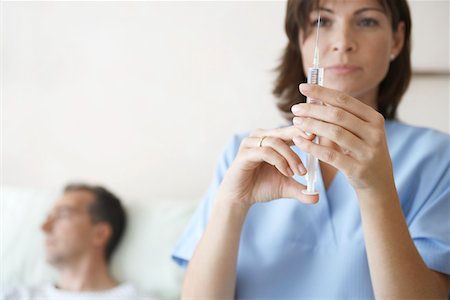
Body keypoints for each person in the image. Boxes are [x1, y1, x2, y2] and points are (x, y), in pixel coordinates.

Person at [171, 0, 450, 299]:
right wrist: (232, 205)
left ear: (396, 39)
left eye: (366, 21)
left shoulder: (436, 158)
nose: (343, 43)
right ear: (299, 39)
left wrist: (376, 190)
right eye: (323, 21)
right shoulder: (245, 156)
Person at [2, 183, 154, 300]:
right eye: (48, 217)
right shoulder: (15, 296)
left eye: (62, 215)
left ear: (100, 234)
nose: (45, 227)